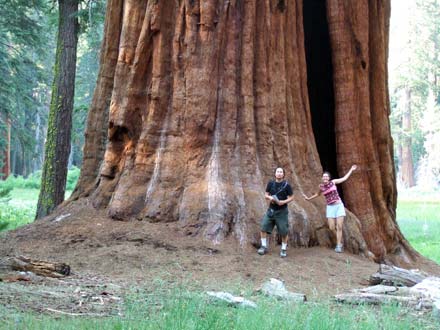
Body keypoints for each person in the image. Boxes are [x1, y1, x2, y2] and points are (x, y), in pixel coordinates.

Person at [302, 165, 357, 253]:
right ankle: (339, 239)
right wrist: (308, 198)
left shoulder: (333, 182)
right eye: (324, 177)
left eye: (327, 177)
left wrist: (351, 169)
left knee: (339, 226)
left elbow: (344, 178)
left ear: (329, 178)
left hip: (339, 206)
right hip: (330, 207)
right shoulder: (321, 187)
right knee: (331, 227)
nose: (325, 178)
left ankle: (339, 245)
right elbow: (317, 194)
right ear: (322, 178)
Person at [257, 167, 294, 258]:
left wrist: (283, 202)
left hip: (282, 211)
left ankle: (284, 249)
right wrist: (270, 198)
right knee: (263, 227)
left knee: (284, 231)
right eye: (278, 172)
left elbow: (292, 197)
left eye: (281, 172)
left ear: (283, 174)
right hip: (271, 210)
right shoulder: (271, 184)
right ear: (275, 174)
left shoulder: (287, 185)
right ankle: (263, 246)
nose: (279, 173)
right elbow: (266, 194)